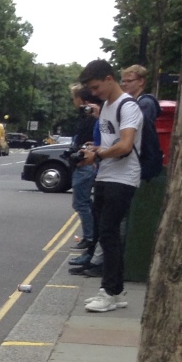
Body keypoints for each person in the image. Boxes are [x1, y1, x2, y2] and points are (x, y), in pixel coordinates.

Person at [77, 59, 142, 313]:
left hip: (122, 177)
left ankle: (109, 291)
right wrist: (93, 150)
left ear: (109, 78)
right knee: (108, 235)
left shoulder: (128, 106)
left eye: (96, 87)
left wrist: (99, 155)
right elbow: (110, 141)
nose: (94, 94)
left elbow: (125, 145)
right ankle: (116, 291)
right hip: (106, 175)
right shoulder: (106, 107)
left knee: (108, 234)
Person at [67, 85, 101, 270]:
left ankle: (89, 239)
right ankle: (89, 240)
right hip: (85, 164)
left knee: (81, 203)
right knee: (84, 203)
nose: (75, 103)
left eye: (75, 98)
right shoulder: (87, 118)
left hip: (87, 165)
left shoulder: (91, 119)